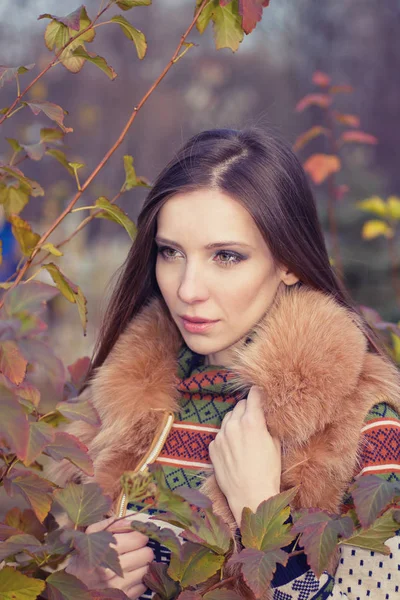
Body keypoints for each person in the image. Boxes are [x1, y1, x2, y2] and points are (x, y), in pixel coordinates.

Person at [51, 128, 400, 599]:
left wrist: (260, 513)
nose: (188, 288)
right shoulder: (110, 408)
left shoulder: (364, 427)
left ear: (288, 263)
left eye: (226, 257)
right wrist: (76, 586)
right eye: (171, 252)